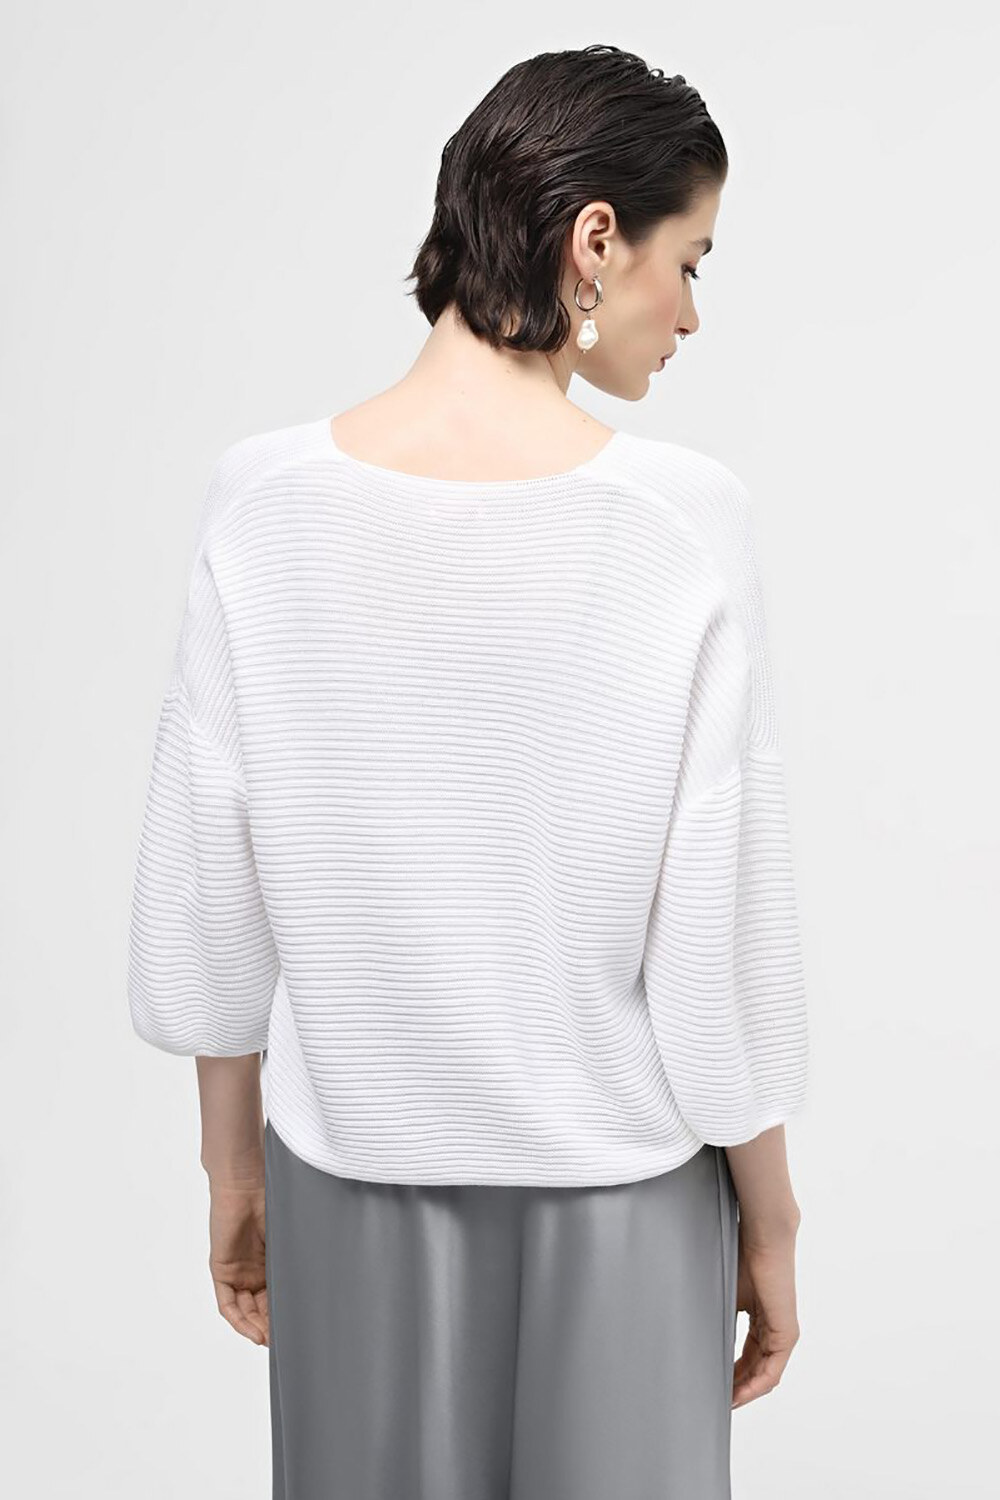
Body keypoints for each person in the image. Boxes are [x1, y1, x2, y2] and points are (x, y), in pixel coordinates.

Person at [126, 42, 808, 1500]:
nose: (692, 313)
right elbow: (720, 937)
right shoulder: (683, 521)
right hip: (627, 1196)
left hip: (346, 1185)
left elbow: (208, 891)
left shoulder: (260, 504)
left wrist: (232, 1173)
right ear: (596, 240)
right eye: (691, 261)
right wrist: (774, 1218)